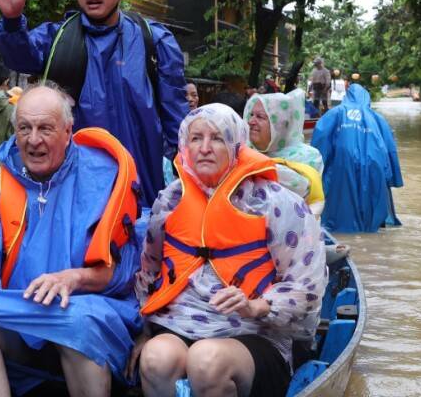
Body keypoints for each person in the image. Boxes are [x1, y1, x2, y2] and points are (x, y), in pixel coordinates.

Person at [0, 85, 141, 397]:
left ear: (68, 131)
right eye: (24, 128)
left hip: (90, 313)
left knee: (76, 320)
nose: (33, 140)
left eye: (45, 128)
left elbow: (125, 272)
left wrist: (74, 278)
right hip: (21, 313)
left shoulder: (105, 175)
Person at [131, 104, 325, 397]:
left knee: (206, 361)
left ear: (236, 145)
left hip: (254, 331)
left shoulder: (275, 203)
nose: (205, 148)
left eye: (217, 138)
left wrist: (256, 306)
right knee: (155, 358)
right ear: (184, 146)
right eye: (196, 138)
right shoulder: (170, 200)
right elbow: (150, 271)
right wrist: (144, 330)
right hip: (181, 322)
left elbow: (307, 289)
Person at [0, 0, 188, 211]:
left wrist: (188, 179)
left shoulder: (154, 40)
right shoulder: (57, 38)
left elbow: (177, 121)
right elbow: (20, 57)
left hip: (142, 184)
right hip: (73, 189)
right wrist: (13, 21)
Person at [311, 83, 404, 232]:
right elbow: (390, 148)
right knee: (372, 207)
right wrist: (393, 177)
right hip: (374, 165)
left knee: (341, 205)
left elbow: (320, 142)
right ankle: (369, 234)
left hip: (342, 165)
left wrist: (314, 171)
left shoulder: (334, 113)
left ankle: (345, 233)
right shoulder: (377, 118)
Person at [245, 89, 326, 215]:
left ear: (280, 125)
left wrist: (258, 166)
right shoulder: (243, 152)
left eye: (260, 117)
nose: (251, 121)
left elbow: (302, 196)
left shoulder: (308, 157)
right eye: (251, 115)